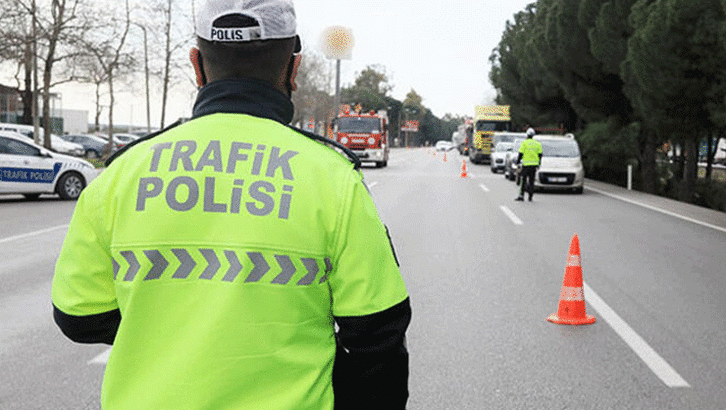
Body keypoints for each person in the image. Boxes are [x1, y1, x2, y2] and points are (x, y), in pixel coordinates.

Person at [51, 1, 411, 409]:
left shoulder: (121, 175)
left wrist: (171, 326)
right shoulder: (333, 179)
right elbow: (379, 337)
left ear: (197, 65)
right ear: (292, 69)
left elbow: (78, 316)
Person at [515, 127, 542, 201]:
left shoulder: (524, 143)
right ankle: (530, 197)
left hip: (526, 165)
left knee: (523, 181)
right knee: (531, 181)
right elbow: (540, 155)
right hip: (534, 166)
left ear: (527, 135)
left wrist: (517, 162)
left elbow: (520, 153)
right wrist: (539, 163)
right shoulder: (537, 144)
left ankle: (521, 195)